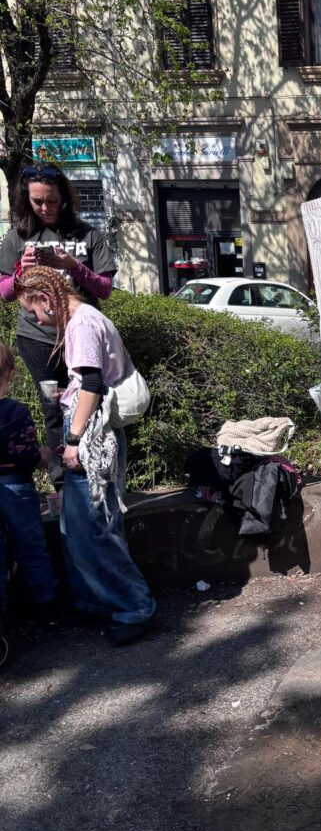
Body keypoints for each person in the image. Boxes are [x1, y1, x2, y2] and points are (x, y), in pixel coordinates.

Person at [14, 266, 155, 645]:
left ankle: (136, 608)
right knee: (79, 525)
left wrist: (73, 438)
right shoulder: (83, 320)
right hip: (91, 434)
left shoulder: (81, 324)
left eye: (33, 312)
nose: (36, 320)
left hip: (92, 439)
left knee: (96, 527)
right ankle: (99, 601)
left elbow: (92, 383)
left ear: (45, 299)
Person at [0, 163, 117, 488]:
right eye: (37, 201)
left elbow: (104, 290)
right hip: (37, 342)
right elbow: (5, 293)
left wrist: (73, 266)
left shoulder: (88, 234)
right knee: (53, 408)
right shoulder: (18, 237)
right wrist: (20, 273)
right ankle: (63, 481)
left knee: (89, 400)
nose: (45, 208)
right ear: (27, 200)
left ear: (64, 197)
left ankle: (95, 468)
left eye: (51, 200)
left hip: (80, 340)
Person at [0, 341, 57, 623]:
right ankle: (47, 607)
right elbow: (25, 456)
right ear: (10, 374)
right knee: (32, 547)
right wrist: (44, 455)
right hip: (17, 488)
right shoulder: (16, 411)